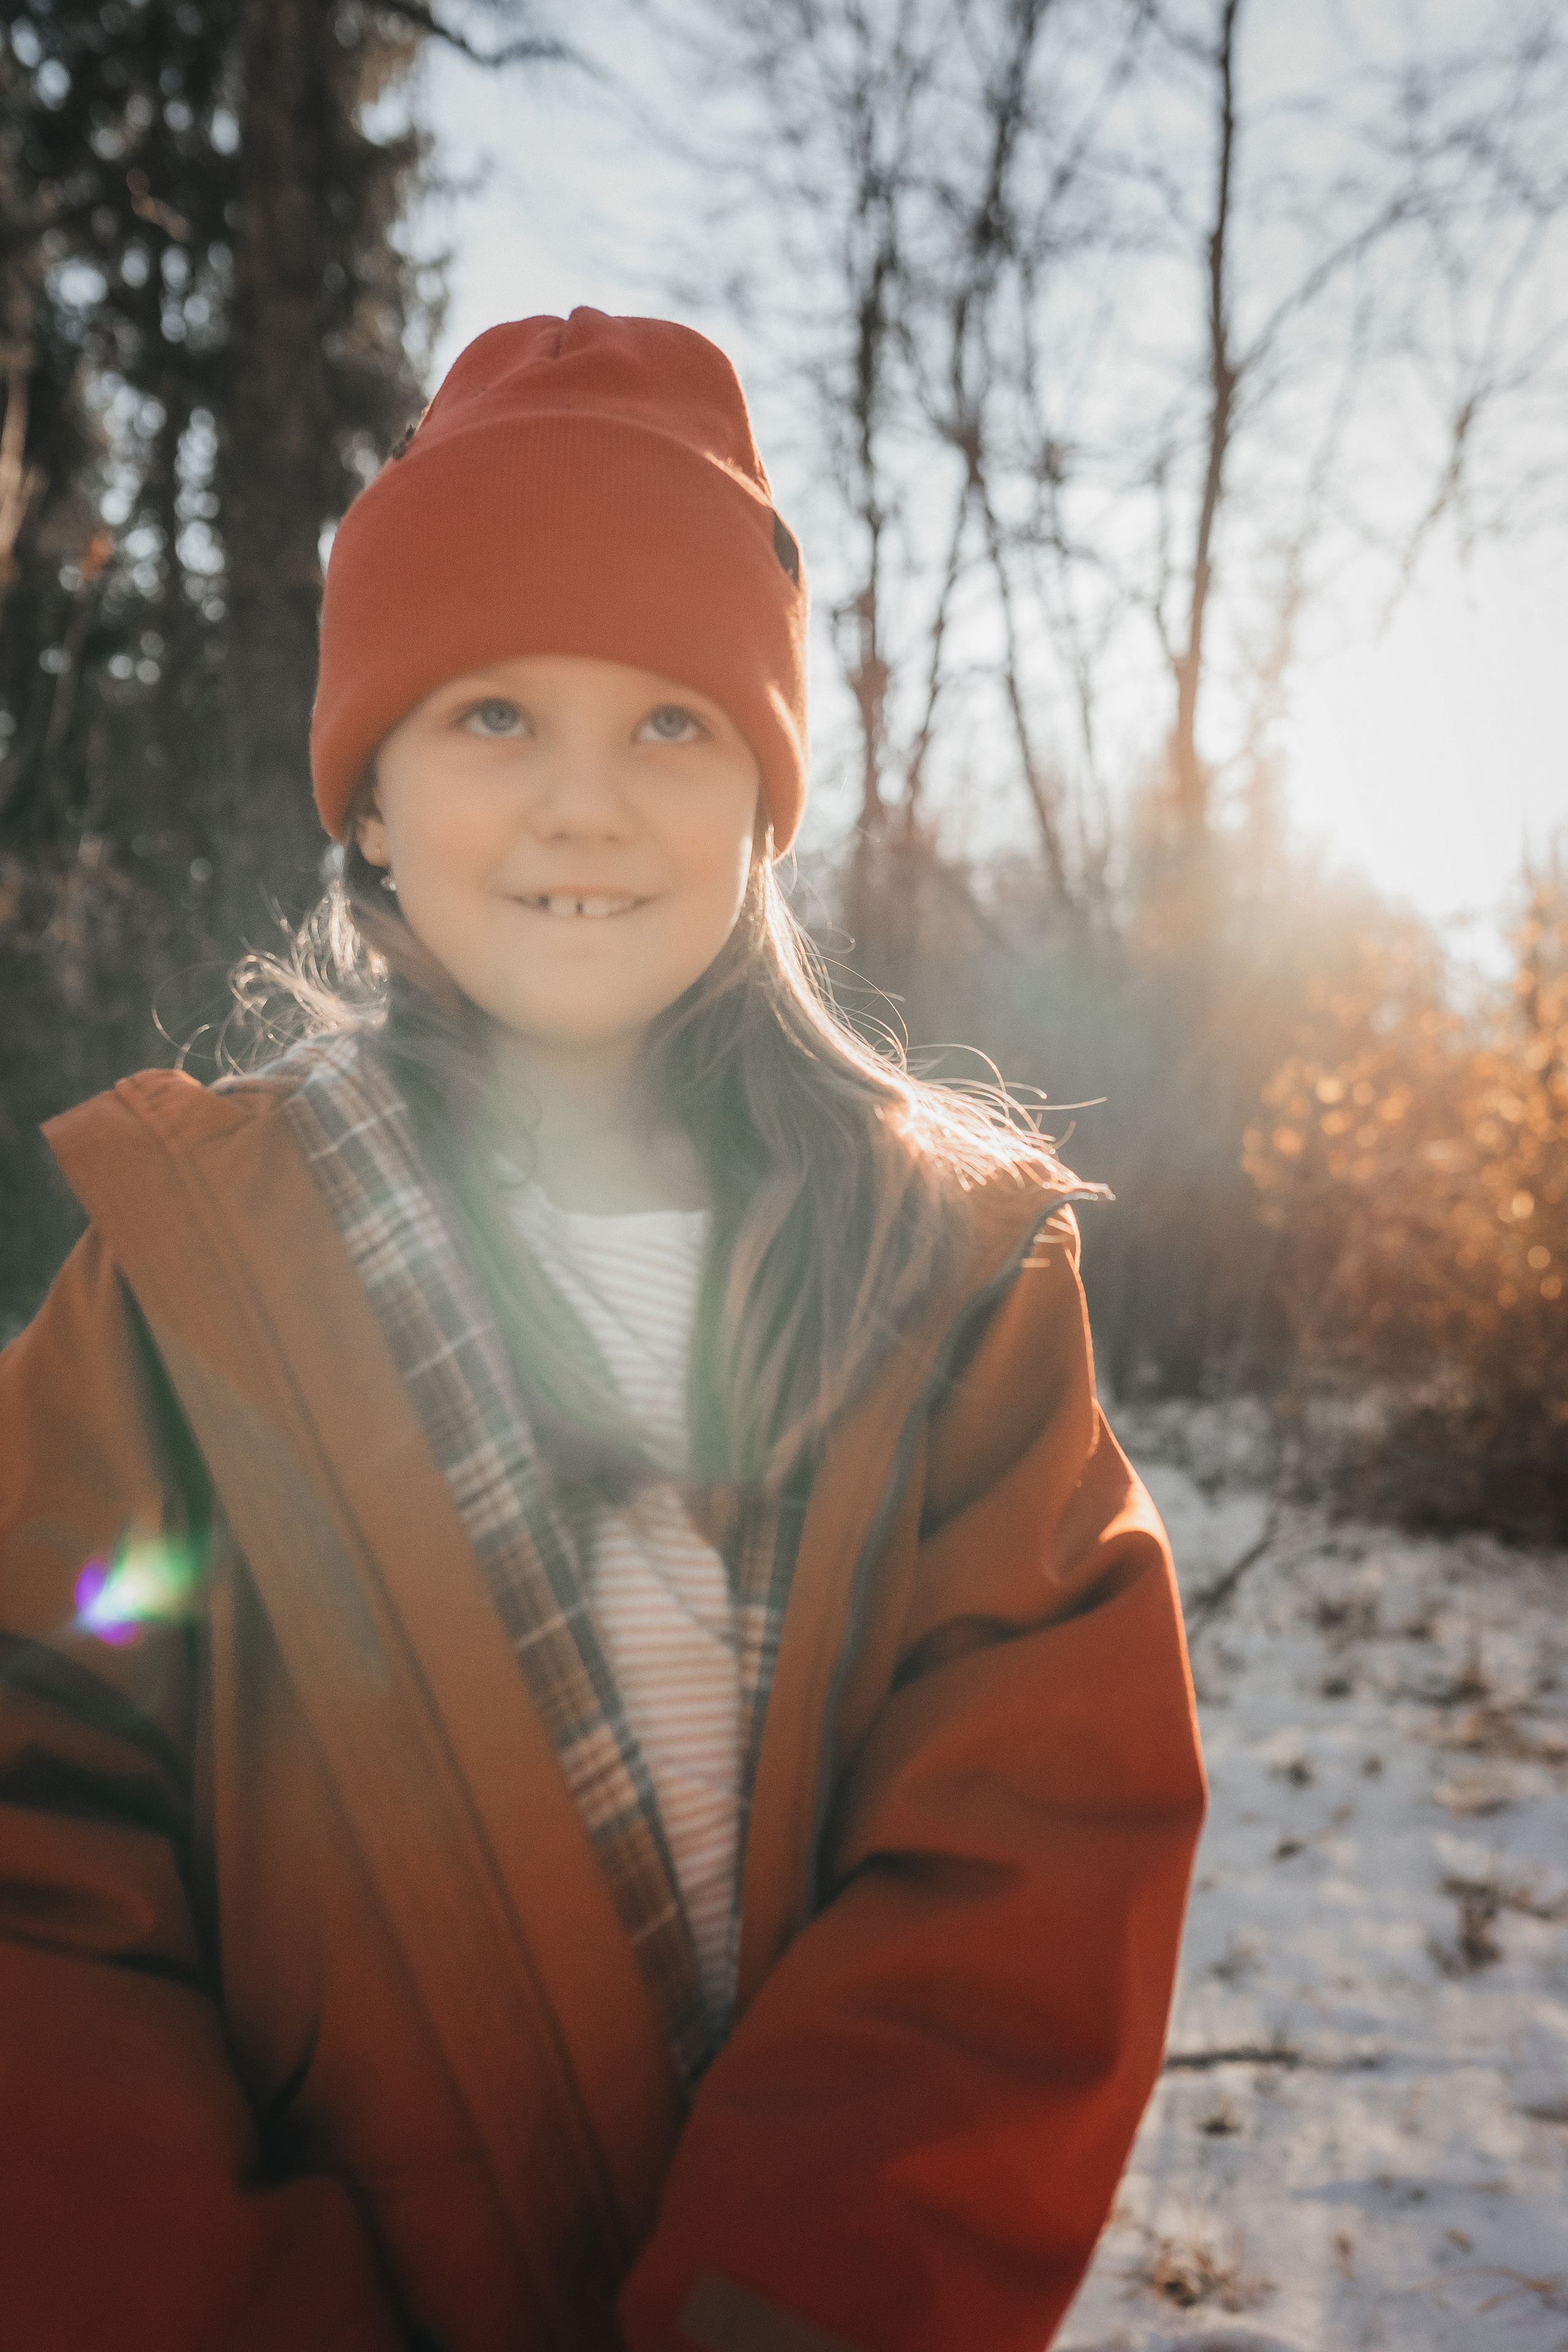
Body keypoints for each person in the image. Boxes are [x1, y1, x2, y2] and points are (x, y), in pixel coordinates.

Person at [0, 310, 1204, 2352]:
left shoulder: (950, 1281)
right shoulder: (192, 1282)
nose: (584, 805)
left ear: (764, 806)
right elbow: (41, 1842)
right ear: (365, 799)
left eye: (670, 721)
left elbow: (1031, 1852)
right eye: (489, 718)